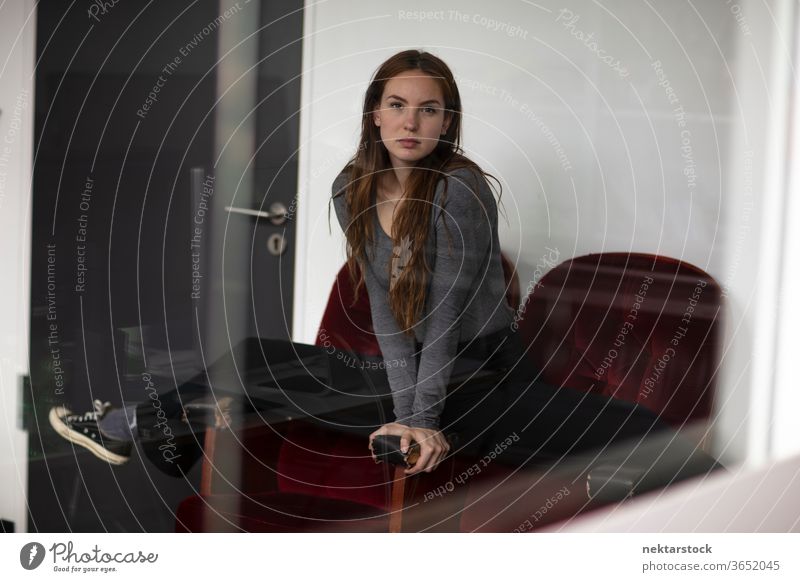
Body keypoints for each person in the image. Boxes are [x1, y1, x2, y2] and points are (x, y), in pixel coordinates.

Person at [49, 49, 687, 481]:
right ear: (374, 113)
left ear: (448, 120)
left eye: (429, 109)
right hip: (401, 365)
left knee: (647, 439)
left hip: (482, 370)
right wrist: (407, 408)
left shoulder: (460, 190)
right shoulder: (350, 185)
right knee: (255, 356)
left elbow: (442, 320)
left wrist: (419, 422)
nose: (412, 122)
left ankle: (141, 425)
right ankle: (141, 423)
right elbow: (386, 307)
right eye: (398, 105)